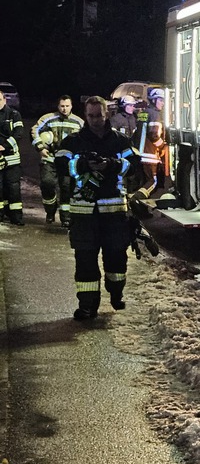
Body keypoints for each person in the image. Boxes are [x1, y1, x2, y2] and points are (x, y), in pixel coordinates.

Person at [55, 95, 141, 321]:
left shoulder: (119, 142)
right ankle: (87, 306)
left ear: (107, 114)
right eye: (91, 116)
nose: (95, 120)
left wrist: (112, 165)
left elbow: (134, 166)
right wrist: (82, 163)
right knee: (85, 262)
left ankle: (116, 294)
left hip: (114, 214)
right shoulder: (74, 141)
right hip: (84, 214)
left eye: (99, 115)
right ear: (86, 115)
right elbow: (61, 164)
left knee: (116, 260)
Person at [31, 95, 84, 225]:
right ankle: (50, 210)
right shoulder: (47, 118)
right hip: (50, 158)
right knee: (47, 183)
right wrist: (40, 148)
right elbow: (34, 130)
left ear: (71, 106)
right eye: (62, 106)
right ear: (58, 106)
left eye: (67, 106)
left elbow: (86, 138)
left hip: (68, 161)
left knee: (66, 188)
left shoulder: (79, 122)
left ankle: (66, 218)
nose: (64, 109)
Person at [133, 87, 166, 202]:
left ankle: (138, 206)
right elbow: (153, 134)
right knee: (152, 182)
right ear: (154, 100)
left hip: (139, 154)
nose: (163, 103)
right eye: (161, 100)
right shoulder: (155, 114)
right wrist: (163, 146)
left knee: (142, 183)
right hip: (149, 155)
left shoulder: (144, 112)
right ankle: (136, 200)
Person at [0, 88, 24, 226]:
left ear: (4, 100)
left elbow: (18, 133)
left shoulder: (14, 114)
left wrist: (4, 147)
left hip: (11, 158)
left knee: (13, 188)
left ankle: (16, 218)